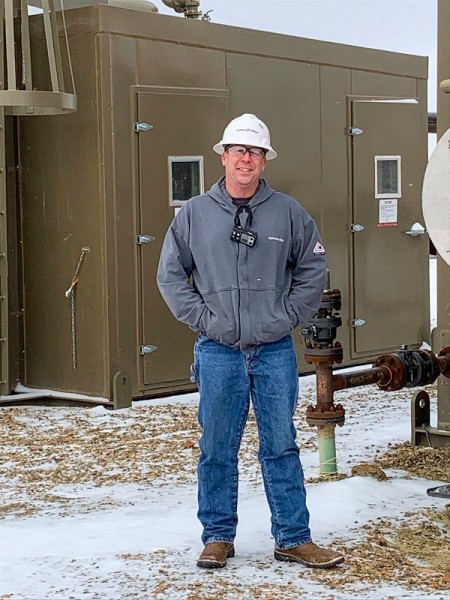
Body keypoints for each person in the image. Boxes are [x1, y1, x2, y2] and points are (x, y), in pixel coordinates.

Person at [157, 113, 344, 570]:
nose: (246, 159)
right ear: (222, 156)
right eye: (239, 150)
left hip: (273, 350)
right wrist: (205, 319)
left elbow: (312, 271)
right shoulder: (195, 215)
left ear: (264, 161)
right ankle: (218, 536)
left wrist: (286, 317)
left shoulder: (288, 211)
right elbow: (171, 276)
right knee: (217, 446)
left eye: (255, 152)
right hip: (218, 350)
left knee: (280, 443)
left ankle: (293, 537)